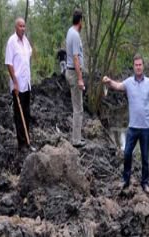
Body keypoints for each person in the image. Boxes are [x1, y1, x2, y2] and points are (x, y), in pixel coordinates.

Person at [102, 54, 149, 193]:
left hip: (145, 128)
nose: (138, 67)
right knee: (127, 154)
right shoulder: (129, 82)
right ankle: (125, 179)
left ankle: (145, 182)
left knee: (145, 157)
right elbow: (117, 86)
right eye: (136, 65)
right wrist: (108, 81)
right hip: (132, 127)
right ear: (133, 66)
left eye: (140, 65)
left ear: (143, 66)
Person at [5, 17, 36, 152]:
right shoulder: (12, 42)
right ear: (15, 27)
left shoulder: (25, 41)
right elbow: (9, 63)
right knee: (19, 114)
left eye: (24, 26)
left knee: (27, 112)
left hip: (26, 83)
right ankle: (21, 144)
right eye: (20, 26)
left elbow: (29, 55)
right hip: (18, 85)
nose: (23, 28)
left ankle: (27, 140)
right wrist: (15, 82)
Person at [65, 9, 86, 148]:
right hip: (73, 73)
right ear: (80, 21)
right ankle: (76, 140)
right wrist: (80, 78)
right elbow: (75, 58)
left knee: (78, 107)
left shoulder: (70, 31)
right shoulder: (75, 35)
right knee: (78, 109)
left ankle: (77, 137)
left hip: (71, 72)